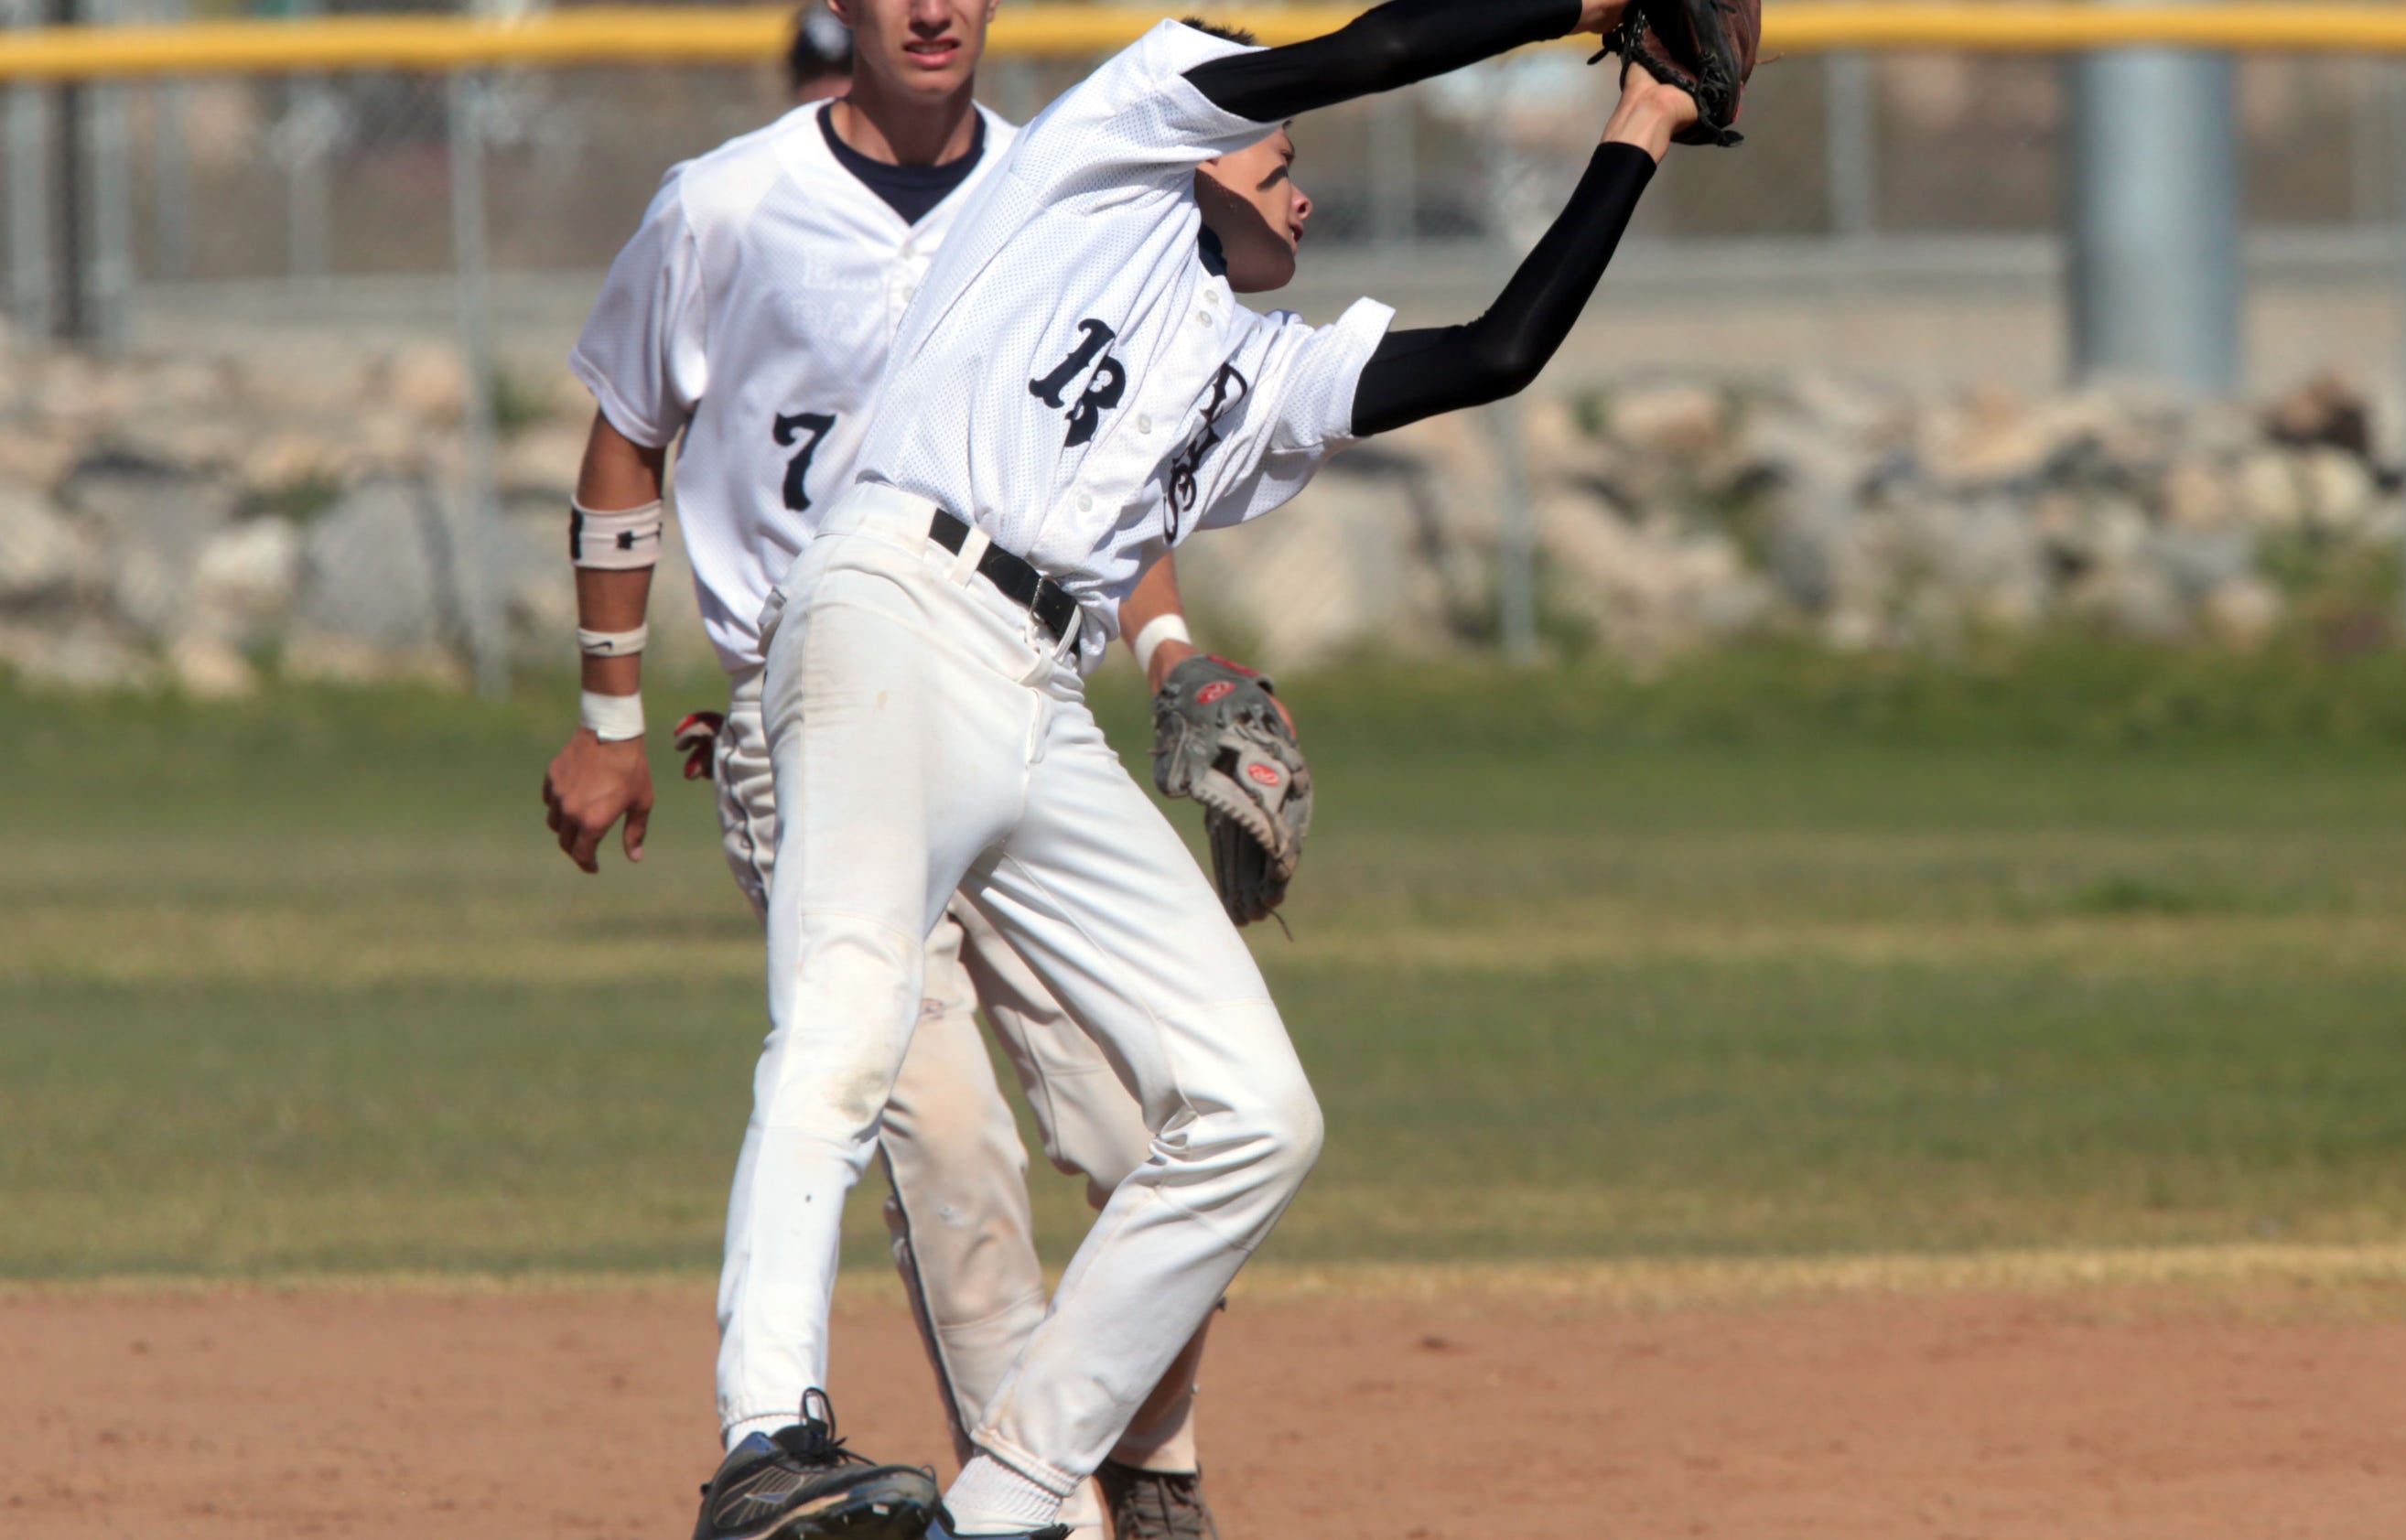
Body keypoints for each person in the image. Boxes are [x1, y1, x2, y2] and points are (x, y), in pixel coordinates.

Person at [732, 3, 1708, 1536]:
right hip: (896, 595)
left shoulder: (1260, 375)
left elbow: (1499, 352)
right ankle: (764, 1441)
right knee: (848, 1022)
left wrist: (1639, 124)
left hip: (1044, 693)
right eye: (1280, 156)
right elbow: (1362, 52)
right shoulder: (1109, 156)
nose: (1301, 187)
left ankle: (1005, 1507)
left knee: (1257, 1111)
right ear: (1201, 147)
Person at [538, 2, 1251, 1536]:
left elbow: (1101, 460)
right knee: (950, 1157)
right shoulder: (723, 204)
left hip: (1014, 699)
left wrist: (1172, 646)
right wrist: (609, 718)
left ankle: (1146, 1468)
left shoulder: (1061, 183)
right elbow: (623, 432)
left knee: (1157, 1133)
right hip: (818, 725)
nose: (931, 7)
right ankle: (1038, 1524)